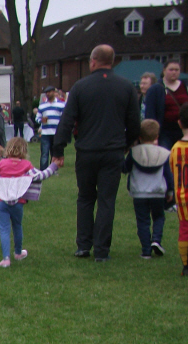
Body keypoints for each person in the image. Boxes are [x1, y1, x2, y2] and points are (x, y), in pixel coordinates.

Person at [53, 45, 141, 262]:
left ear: (93, 61)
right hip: (113, 150)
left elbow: (67, 120)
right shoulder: (126, 87)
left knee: (85, 197)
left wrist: (58, 149)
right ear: (113, 61)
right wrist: (126, 143)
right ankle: (102, 250)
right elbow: (134, 122)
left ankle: (83, 245)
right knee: (106, 200)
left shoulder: (80, 87)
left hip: (87, 150)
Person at [0, 137, 59, 268]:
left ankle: (5, 258)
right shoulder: (26, 165)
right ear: (24, 150)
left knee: (4, 229)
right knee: (17, 226)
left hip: (2, 201)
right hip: (18, 202)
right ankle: (18, 252)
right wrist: (54, 166)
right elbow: (40, 175)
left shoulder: (1, 164)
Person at [123, 119, 172, 259]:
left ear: (139, 137)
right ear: (157, 136)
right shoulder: (163, 154)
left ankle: (145, 250)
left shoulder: (134, 153)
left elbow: (125, 168)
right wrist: (170, 191)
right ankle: (156, 240)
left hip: (139, 192)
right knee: (158, 217)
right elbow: (168, 175)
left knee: (142, 221)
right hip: (158, 192)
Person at [144, 61, 188, 153]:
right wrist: (153, 136)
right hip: (164, 131)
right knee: (166, 156)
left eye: (177, 70)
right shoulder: (155, 89)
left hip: (184, 129)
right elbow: (150, 114)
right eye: (171, 69)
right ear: (164, 71)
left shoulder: (185, 87)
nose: (174, 72)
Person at [169, 102, 188, 276]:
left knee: (186, 232)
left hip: (182, 198)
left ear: (179, 123)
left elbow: (173, 171)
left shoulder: (174, 149)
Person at [36, 86, 65, 171]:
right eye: (46, 93)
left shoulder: (61, 104)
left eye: (49, 92)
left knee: (54, 153)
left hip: (56, 132)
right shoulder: (42, 106)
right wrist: (41, 120)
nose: (48, 94)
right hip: (45, 132)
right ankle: (43, 170)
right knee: (44, 153)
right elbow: (37, 118)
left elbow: (63, 117)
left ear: (53, 92)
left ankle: (53, 170)